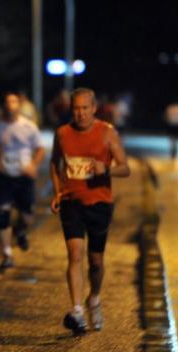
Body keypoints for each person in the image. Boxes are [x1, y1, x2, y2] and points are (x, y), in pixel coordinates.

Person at [49, 87, 130, 335]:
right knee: (75, 254)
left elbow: (125, 168)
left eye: (85, 108)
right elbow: (55, 163)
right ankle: (77, 310)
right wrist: (58, 191)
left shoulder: (107, 133)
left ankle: (94, 297)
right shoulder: (62, 133)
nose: (80, 113)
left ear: (93, 108)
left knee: (95, 261)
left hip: (99, 203)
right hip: (72, 201)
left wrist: (104, 169)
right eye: (76, 108)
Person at [0, 92, 45, 269]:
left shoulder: (28, 127)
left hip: (24, 177)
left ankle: (21, 231)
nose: (10, 105)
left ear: (19, 105)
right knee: (2, 215)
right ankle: (7, 254)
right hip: (4, 177)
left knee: (28, 216)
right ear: (3, 106)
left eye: (13, 102)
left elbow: (40, 149)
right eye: (7, 102)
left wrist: (33, 165)